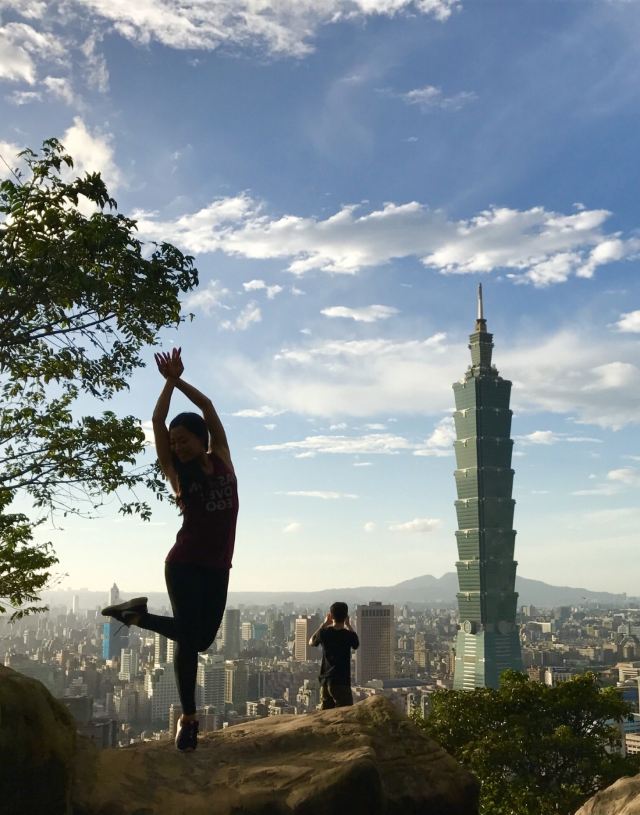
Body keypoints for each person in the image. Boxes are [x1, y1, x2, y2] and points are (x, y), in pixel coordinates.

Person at [102, 347, 239, 752]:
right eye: (173, 443)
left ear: (201, 439)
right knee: (189, 642)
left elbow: (209, 406)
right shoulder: (177, 475)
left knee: (202, 639)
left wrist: (180, 379)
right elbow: (158, 421)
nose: (176, 446)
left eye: (183, 440)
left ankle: (136, 616)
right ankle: (189, 719)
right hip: (184, 565)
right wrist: (166, 384)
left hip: (218, 565)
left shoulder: (224, 459)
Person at [309, 602, 359, 709]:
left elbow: (311, 642)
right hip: (341, 682)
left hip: (326, 681)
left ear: (331, 616)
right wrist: (349, 625)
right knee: (345, 713)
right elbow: (356, 644)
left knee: (326, 715)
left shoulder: (324, 633)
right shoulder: (348, 635)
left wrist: (324, 624)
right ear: (346, 617)